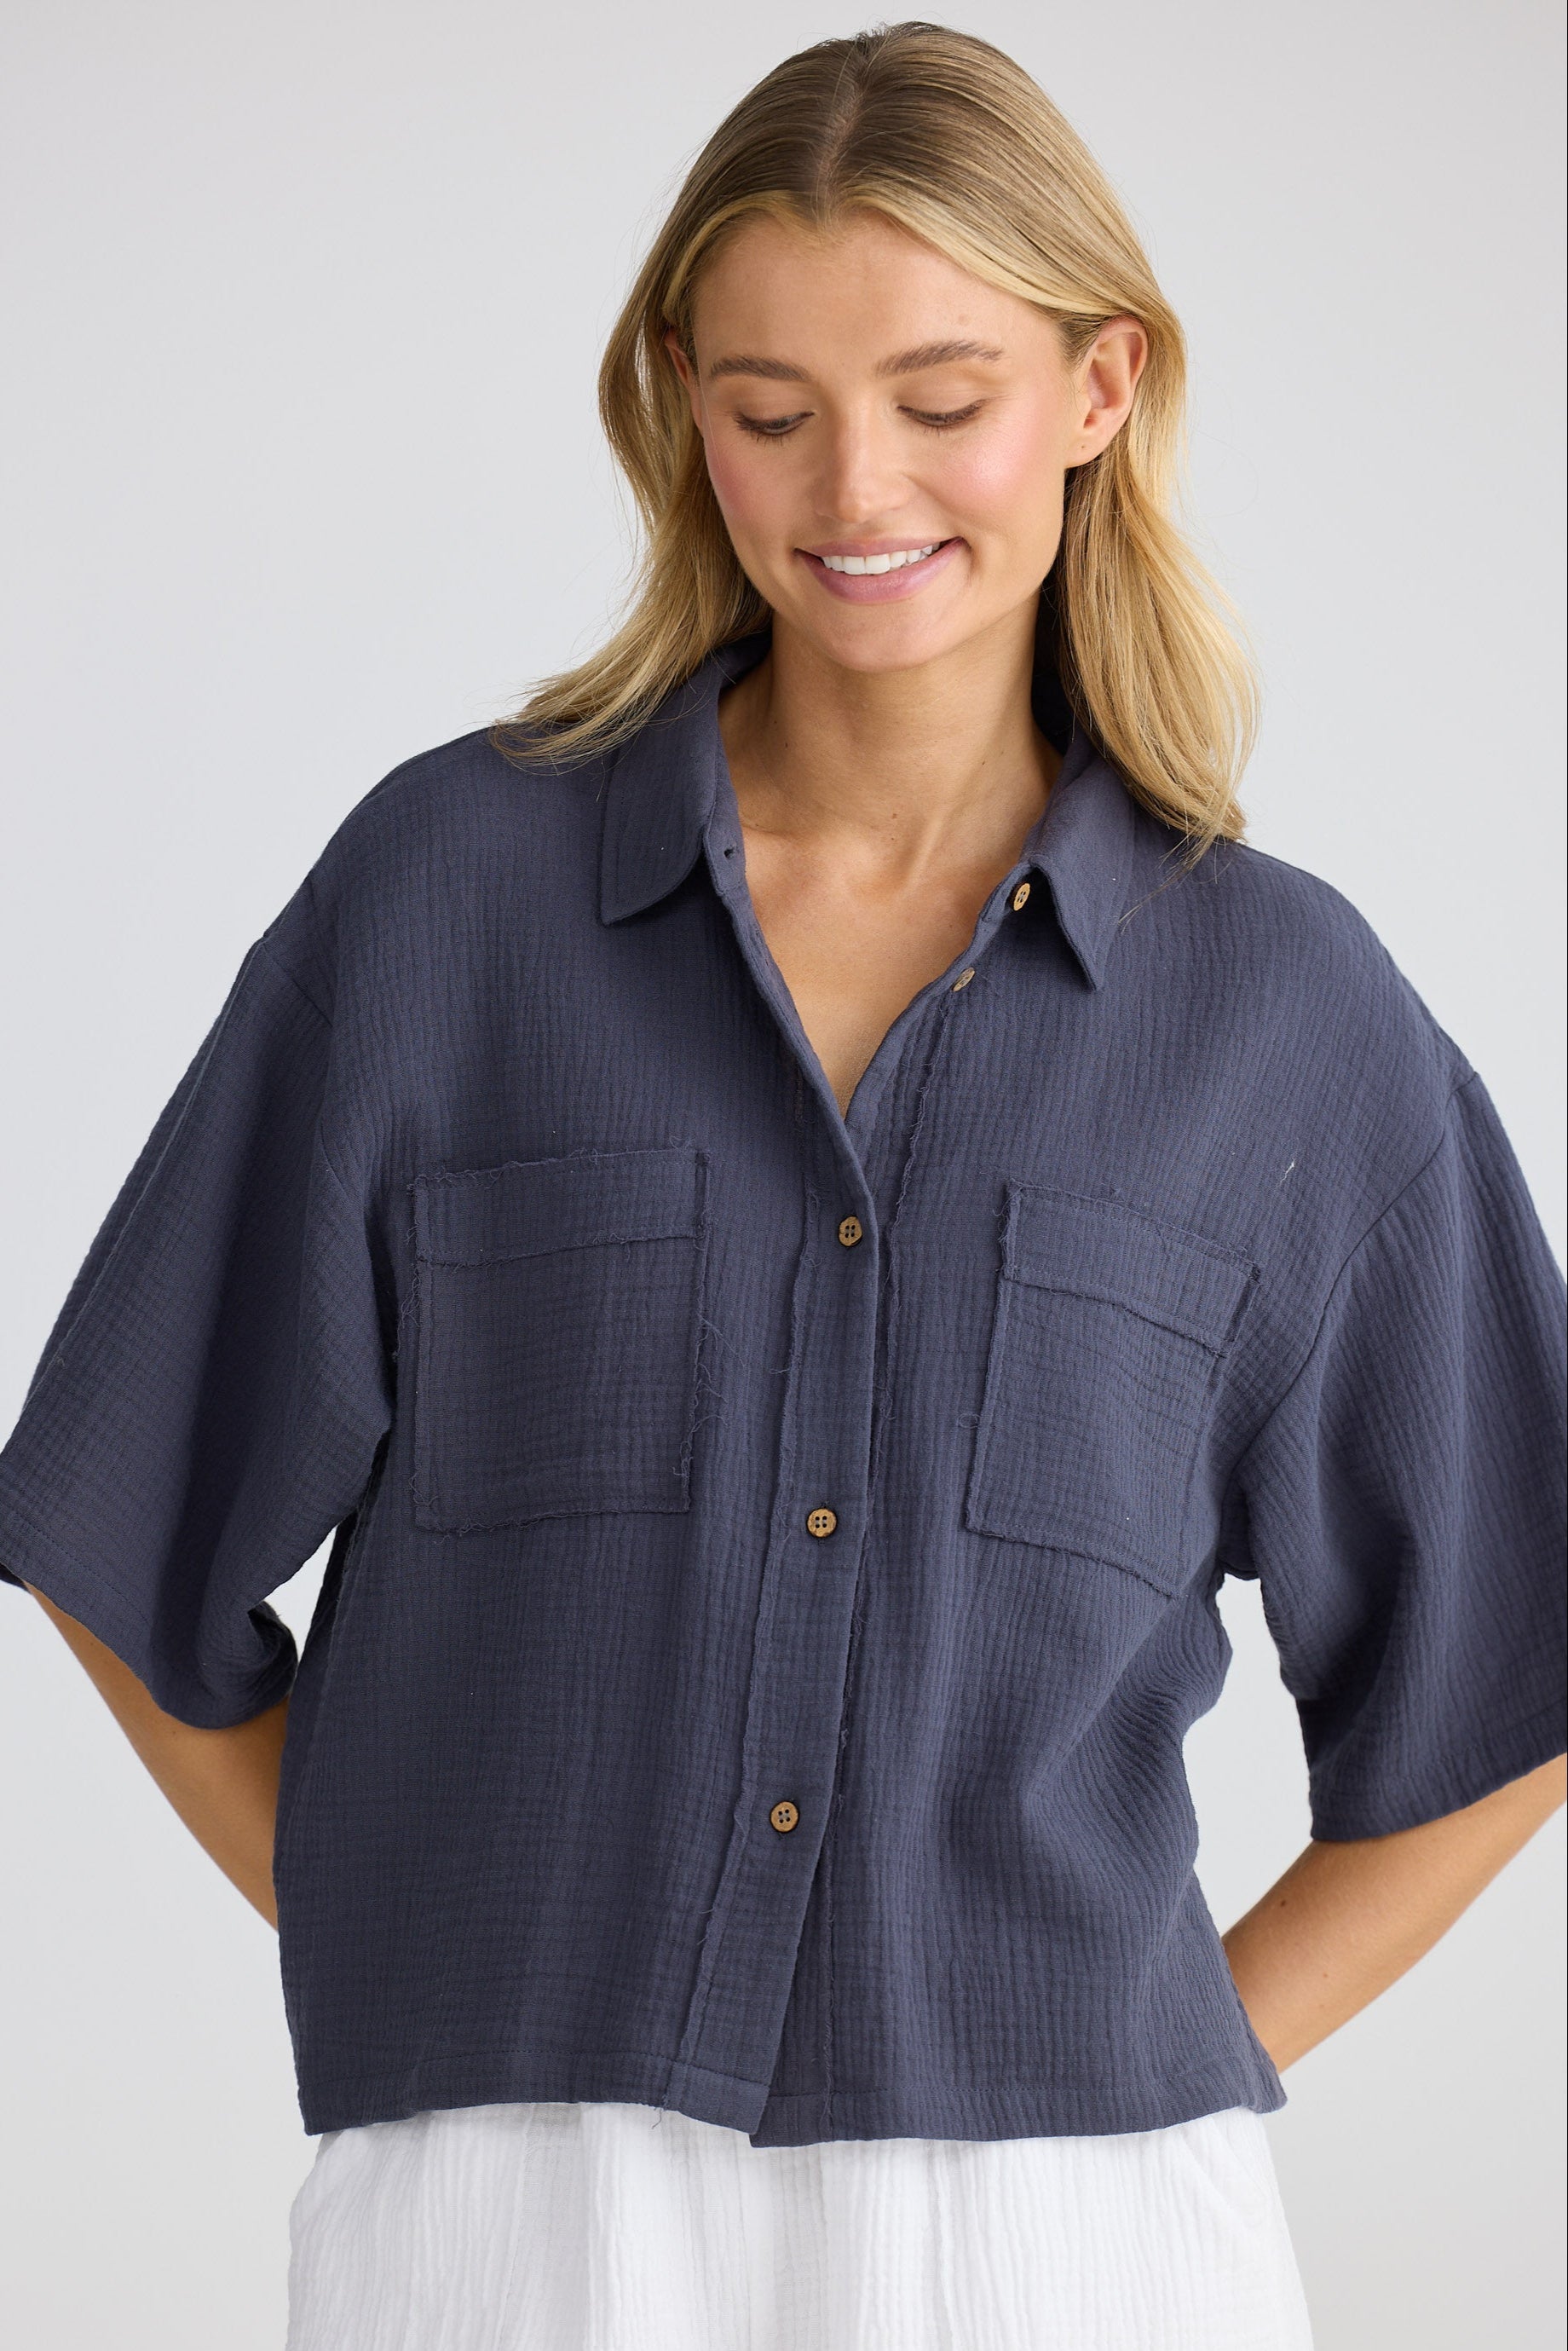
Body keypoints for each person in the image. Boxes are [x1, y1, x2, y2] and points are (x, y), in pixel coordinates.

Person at [3, 22, 1564, 2351]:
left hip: (1067, 2232)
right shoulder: (448, 902)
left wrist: (1189, 2063)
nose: (858, 484)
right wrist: (409, 1933)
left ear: (1098, 389)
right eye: (771, 406)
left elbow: (1508, 1656)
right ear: (678, 401)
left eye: (945, 398)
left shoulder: (1285, 1014)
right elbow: (131, 1531)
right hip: (510, 2234)